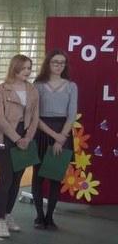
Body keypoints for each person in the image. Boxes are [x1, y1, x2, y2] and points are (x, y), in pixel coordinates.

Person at [0, 55, 39, 237]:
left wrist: (28, 137)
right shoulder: (1, 89)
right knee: (6, 179)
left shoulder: (32, 90)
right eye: (24, 68)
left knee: (16, 179)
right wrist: (17, 138)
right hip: (6, 137)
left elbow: (35, 117)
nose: (27, 71)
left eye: (29, 68)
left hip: (25, 136)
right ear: (15, 68)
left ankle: (7, 214)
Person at [31, 50, 77, 230]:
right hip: (41, 132)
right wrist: (54, 135)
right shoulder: (38, 85)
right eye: (55, 62)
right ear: (48, 64)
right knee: (38, 176)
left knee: (55, 177)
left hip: (62, 133)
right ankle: (39, 216)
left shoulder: (71, 86)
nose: (59, 66)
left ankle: (50, 217)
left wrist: (61, 138)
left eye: (62, 63)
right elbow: (35, 115)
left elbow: (71, 115)